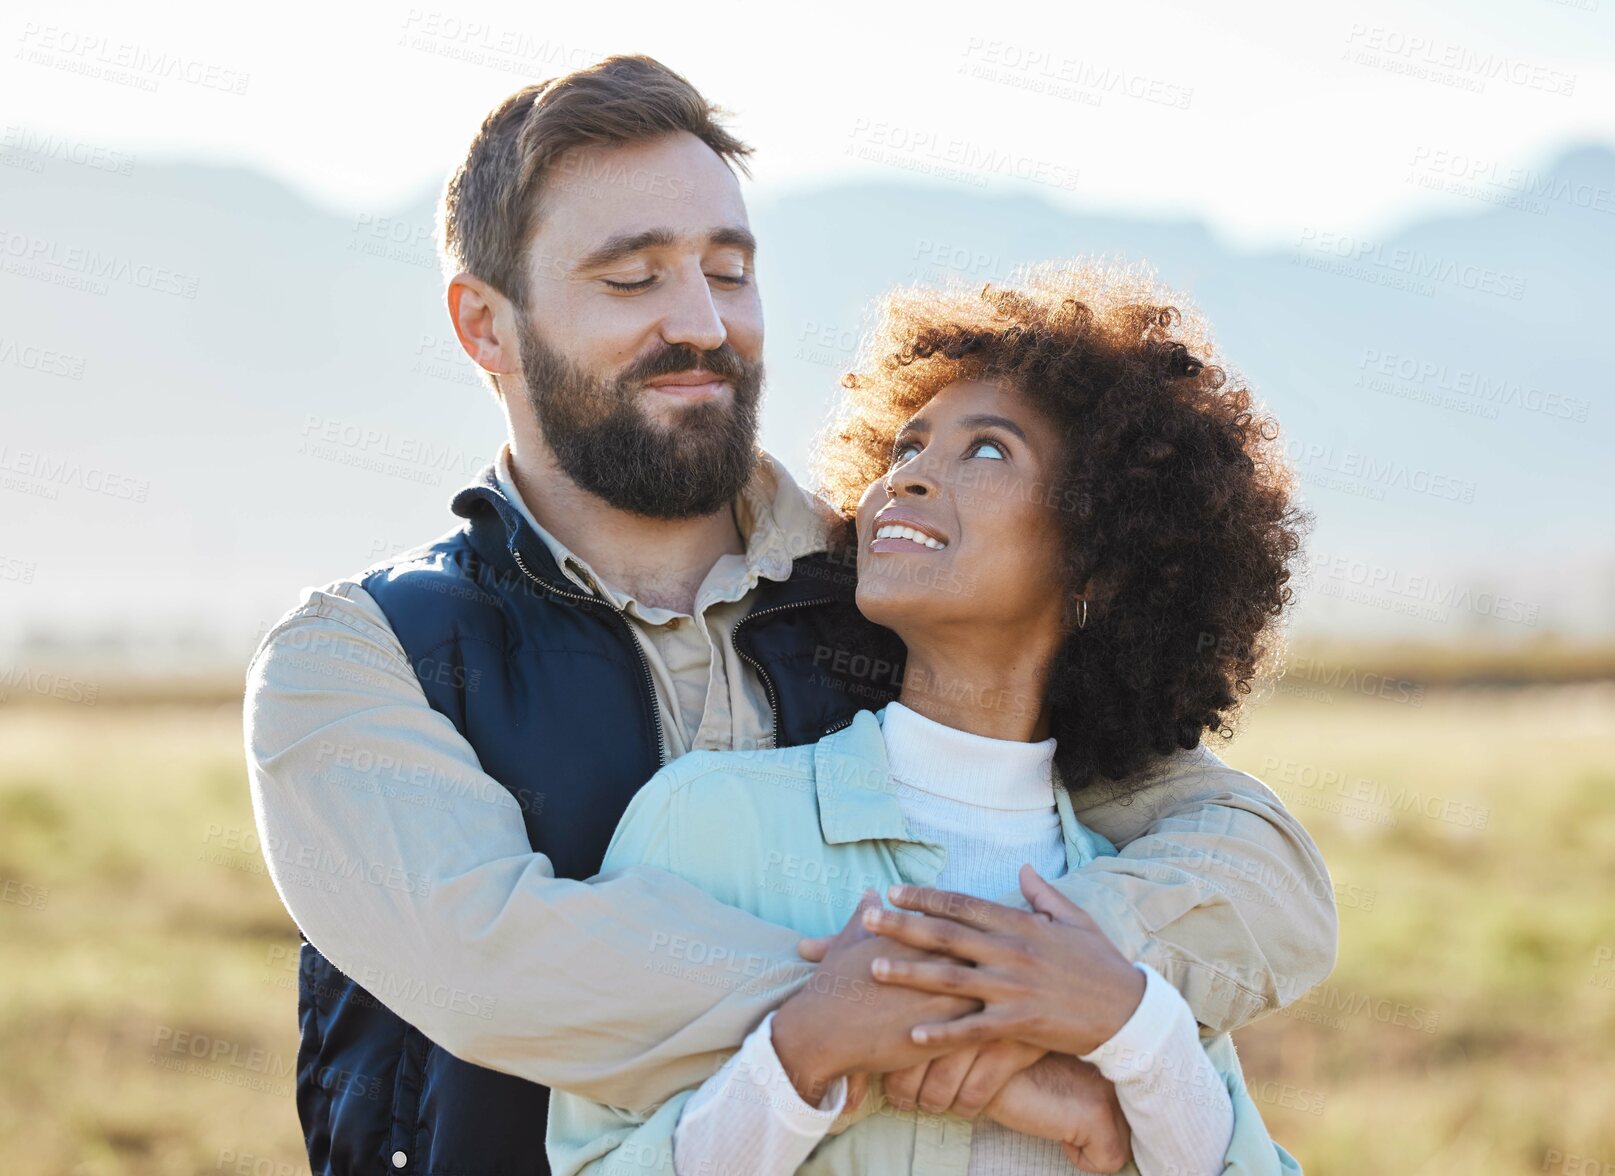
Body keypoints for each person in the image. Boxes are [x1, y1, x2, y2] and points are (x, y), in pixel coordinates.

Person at [244, 56, 1335, 1176]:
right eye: (633, 280)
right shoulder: (361, 661)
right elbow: (494, 969)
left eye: (728, 270)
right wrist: (948, 1025)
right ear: (486, 326)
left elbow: (1260, 872)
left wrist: (1079, 998)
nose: (703, 323)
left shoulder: (909, 601)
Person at [544, 259, 1310, 1174]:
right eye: (905, 447)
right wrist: (801, 1056)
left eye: (986, 450)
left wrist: (1134, 1030)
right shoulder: (707, 818)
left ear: (1102, 560)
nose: (903, 479)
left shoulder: (1122, 909)